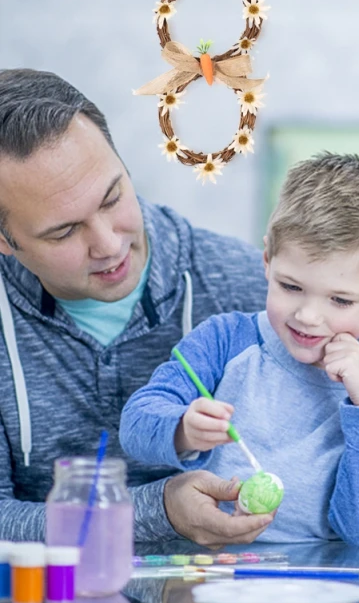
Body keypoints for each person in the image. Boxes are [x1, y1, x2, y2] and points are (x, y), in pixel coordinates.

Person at [0, 68, 273, 545]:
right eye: (64, 232)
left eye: (113, 198)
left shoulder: (248, 287)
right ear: (6, 241)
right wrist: (159, 510)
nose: (108, 245)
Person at [120, 152, 359, 546]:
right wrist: (182, 429)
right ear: (266, 261)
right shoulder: (225, 341)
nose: (309, 316)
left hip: (323, 593)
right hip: (209, 578)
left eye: (340, 301)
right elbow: (136, 425)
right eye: (291, 287)